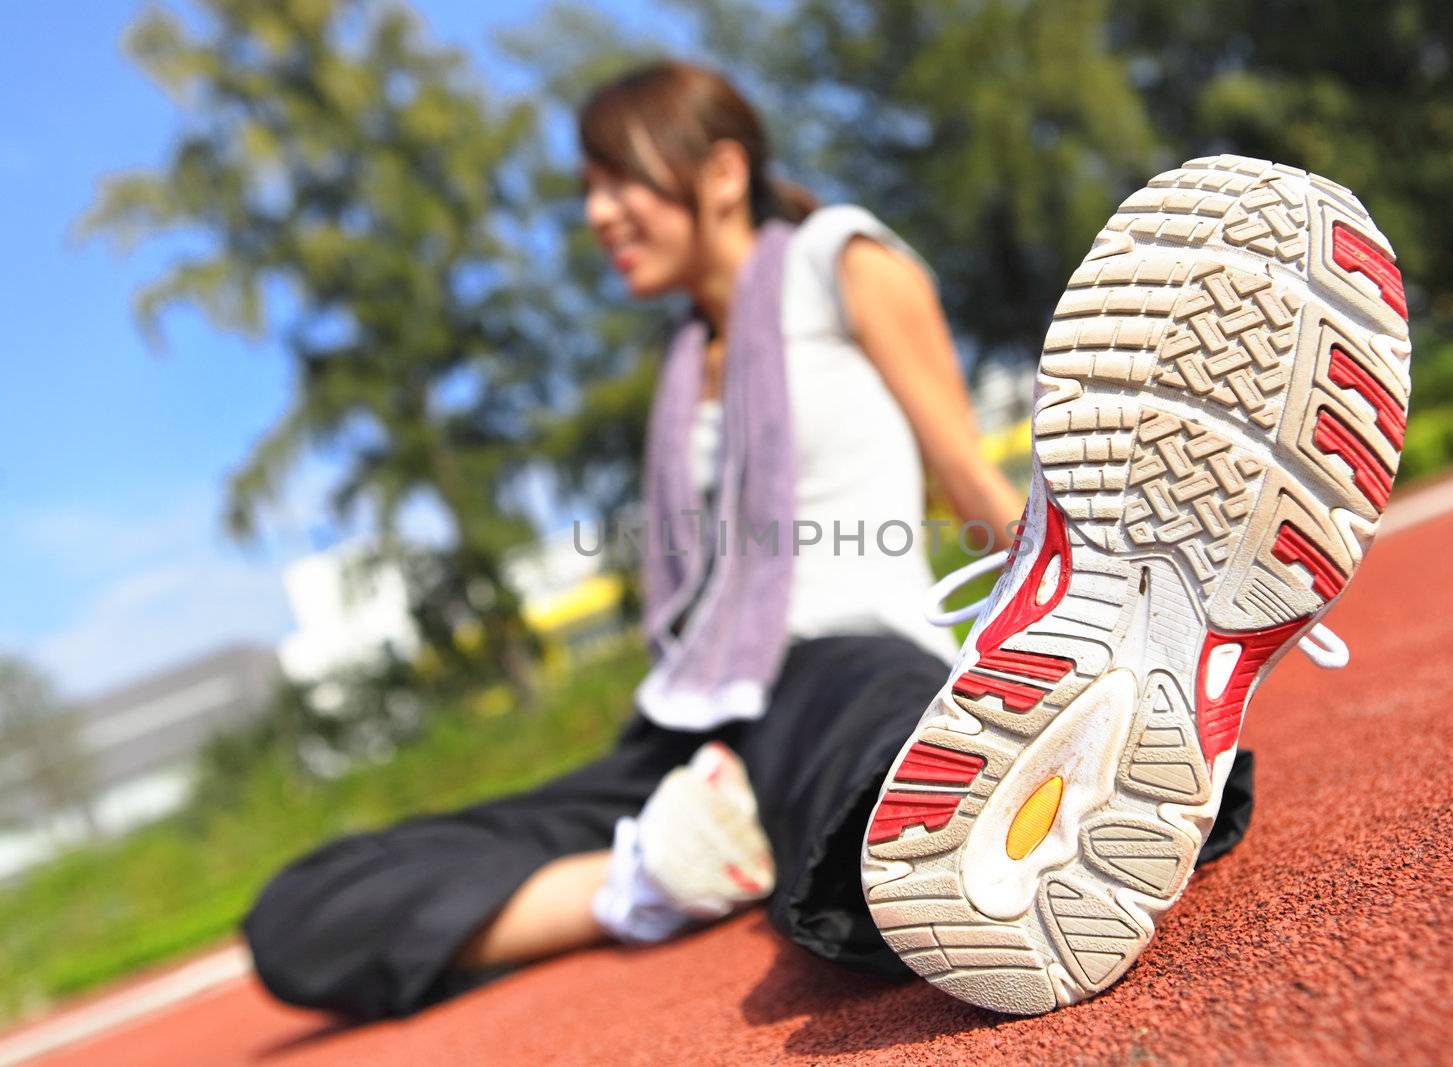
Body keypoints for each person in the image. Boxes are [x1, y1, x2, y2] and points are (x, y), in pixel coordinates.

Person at [242, 60, 1257, 1021]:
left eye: (617, 182)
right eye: (587, 189)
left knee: (891, 764)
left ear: (721, 171)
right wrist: (649, 862)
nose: (597, 214)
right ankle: (661, 873)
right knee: (306, 910)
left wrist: (1086, 612)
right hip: (694, 720)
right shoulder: (685, 357)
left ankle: (1066, 787)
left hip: (840, 656)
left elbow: (966, 479)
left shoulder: (840, 263)